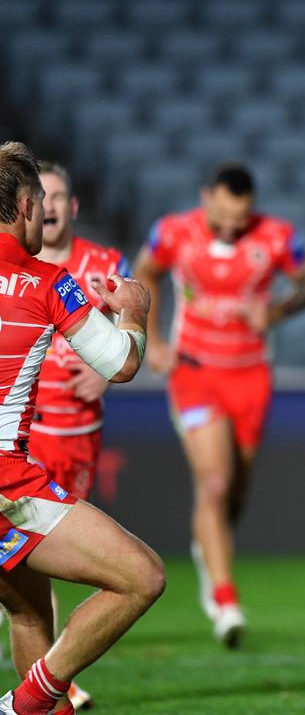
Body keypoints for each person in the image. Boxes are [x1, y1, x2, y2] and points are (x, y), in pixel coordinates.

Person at [0, 141, 164, 715]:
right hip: (6, 482)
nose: (46, 216)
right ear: (24, 208)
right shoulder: (47, 282)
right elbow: (121, 362)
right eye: (41, 205)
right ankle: (21, 706)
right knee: (141, 577)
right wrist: (135, 308)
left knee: (25, 609)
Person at [133, 162, 305, 647]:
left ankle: (208, 544)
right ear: (206, 198)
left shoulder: (277, 237)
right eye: (220, 215)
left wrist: (279, 309)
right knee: (214, 482)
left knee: (234, 489)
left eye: (238, 219)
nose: (228, 227)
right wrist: (151, 339)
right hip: (195, 373)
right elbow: (144, 274)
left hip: (251, 375)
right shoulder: (173, 233)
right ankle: (224, 599)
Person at [24, 161, 132, 710]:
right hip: (29, 436)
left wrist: (104, 375)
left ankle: (43, 683)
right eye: (41, 196)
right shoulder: (22, 271)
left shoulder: (105, 264)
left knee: (43, 568)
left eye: (59, 196)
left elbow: (132, 344)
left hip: (81, 433)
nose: (50, 206)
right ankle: (51, 683)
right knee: (35, 567)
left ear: (74, 206)